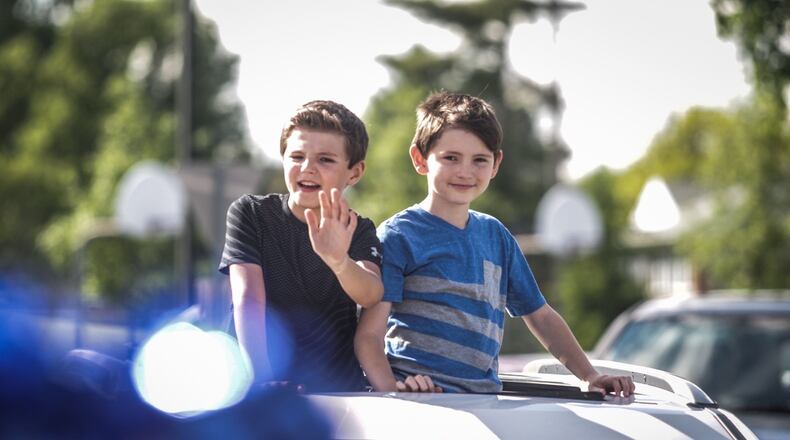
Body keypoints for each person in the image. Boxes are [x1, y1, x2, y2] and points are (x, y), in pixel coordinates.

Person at [354, 91, 635, 396]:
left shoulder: (497, 236)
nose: (465, 171)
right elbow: (369, 336)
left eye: (479, 160)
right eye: (451, 158)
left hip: (485, 401)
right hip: (422, 400)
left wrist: (589, 375)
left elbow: (540, 316)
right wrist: (394, 391)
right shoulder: (398, 235)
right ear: (420, 159)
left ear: (496, 164)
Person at [219, 100, 384, 392]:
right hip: (263, 386)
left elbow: (371, 295)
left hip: (338, 393)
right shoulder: (251, 213)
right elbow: (249, 299)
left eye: (325, 160)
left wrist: (338, 261)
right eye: (296, 156)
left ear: (355, 172)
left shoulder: (359, 229)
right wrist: (263, 379)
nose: (307, 168)